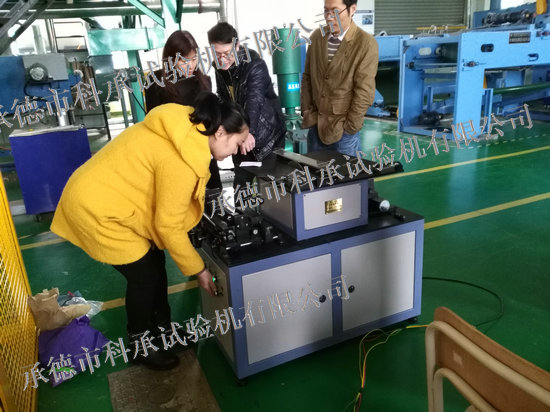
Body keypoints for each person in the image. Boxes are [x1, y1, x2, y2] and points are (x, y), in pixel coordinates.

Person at [51, 92, 249, 370]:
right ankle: (140, 343)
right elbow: (168, 226)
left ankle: (162, 330)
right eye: (238, 143)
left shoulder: (187, 130)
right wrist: (200, 270)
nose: (237, 151)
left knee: (155, 261)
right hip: (96, 208)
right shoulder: (182, 159)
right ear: (220, 132)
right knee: (144, 274)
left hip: (111, 197)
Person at [207, 22, 286, 189]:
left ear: (237, 46)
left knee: (269, 188)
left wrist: (249, 133)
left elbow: (254, 101)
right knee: (242, 185)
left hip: (266, 136)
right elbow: (223, 97)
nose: (222, 59)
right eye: (217, 54)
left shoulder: (255, 65)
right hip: (239, 132)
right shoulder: (219, 67)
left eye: (227, 53)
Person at [145, 30, 222, 189]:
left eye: (194, 59)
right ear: (170, 59)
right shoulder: (155, 82)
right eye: (184, 61)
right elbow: (152, 124)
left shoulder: (204, 81)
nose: (191, 65)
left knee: (212, 196)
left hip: (201, 153)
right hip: (173, 156)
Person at [301, 0, 379, 156]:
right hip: (315, 126)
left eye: (335, 12)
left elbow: (364, 91)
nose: (329, 17)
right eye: (326, 11)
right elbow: (307, 77)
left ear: (352, 9)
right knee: (315, 170)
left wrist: (350, 127)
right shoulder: (317, 37)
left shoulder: (365, 44)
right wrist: (307, 111)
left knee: (346, 172)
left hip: (343, 133)